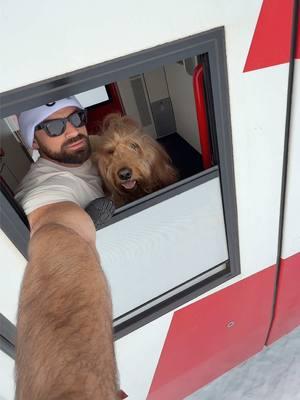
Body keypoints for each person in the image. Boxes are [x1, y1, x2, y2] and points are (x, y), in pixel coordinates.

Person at [14, 97, 118, 400]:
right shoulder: (45, 187)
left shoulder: (92, 147)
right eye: (55, 126)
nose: (72, 131)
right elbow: (53, 229)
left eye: (76, 118)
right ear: (34, 141)